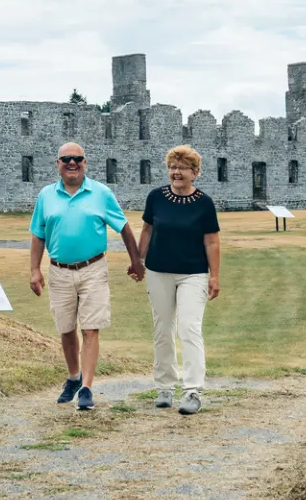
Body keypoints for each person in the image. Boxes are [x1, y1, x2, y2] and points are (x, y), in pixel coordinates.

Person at [29, 142, 143, 411]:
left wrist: (136, 260)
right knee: (66, 328)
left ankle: (87, 388)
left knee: (91, 328)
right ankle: (73, 377)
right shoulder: (46, 195)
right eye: (66, 159)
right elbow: (38, 234)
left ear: (85, 162)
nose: (72, 163)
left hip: (93, 268)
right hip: (59, 270)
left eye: (77, 159)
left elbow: (124, 226)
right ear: (57, 163)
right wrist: (34, 270)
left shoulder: (100, 193)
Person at [139, 144, 220, 415]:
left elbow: (211, 241)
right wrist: (138, 261)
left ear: (195, 173)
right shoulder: (156, 197)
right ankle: (164, 387)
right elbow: (147, 230)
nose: (176, 172)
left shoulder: (204, 203)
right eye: (173, 167)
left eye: (183, 168)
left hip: (193, 273)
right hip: (158, 271)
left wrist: (215, 276)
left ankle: (193, 391)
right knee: (162, 329)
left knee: (189, 328)